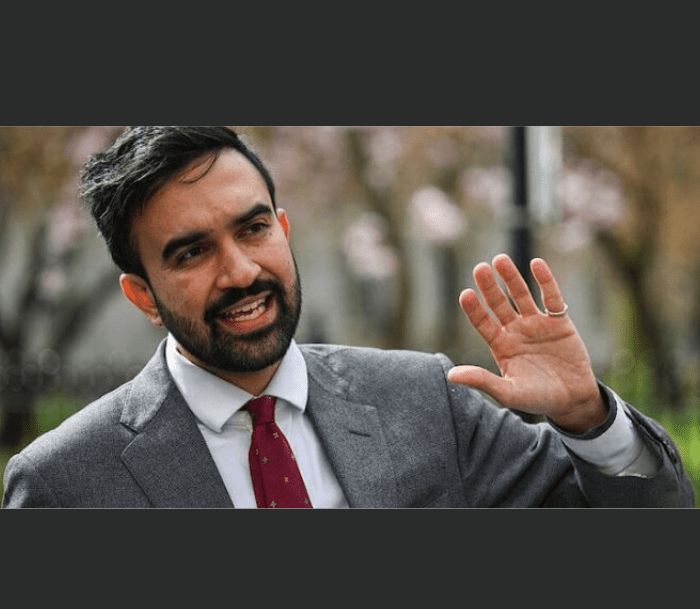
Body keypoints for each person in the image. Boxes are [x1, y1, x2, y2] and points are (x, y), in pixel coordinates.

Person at [2, 126, 694, 508]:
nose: (239, 271)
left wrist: (588, 419)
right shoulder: (63, 484)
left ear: (283, 229)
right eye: (191, 253)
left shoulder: (428, 402)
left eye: (252, 230)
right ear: (142, 296)